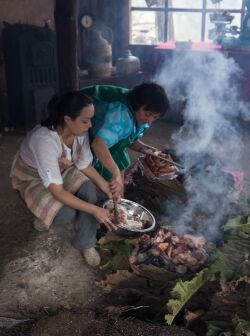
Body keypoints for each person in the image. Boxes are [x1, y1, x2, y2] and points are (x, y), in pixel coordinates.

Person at [10, 91, 116, 267]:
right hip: (31, 178)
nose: (90, 125)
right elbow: (57, 191)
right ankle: (44, 216)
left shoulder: (80, 133)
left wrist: (107, 187)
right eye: (85, 120)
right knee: (66, 213)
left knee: (88, 188)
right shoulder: (44, 139)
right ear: (67, 119)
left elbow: (84, 166)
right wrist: (95, 210)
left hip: (59, 171)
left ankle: (86, 242)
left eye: (91, 119)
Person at [80, 82, 171, 199]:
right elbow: (98, 144)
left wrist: (148, 150)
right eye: (148, 115)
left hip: (100, 137)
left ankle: (116, 202)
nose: (150, 121)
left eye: (155, 117)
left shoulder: (137, 112)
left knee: (117, 182)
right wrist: (115, 171)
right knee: (108, 180)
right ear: (137, 105)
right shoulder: (121, 116)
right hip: (77, 123)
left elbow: (127, 140)